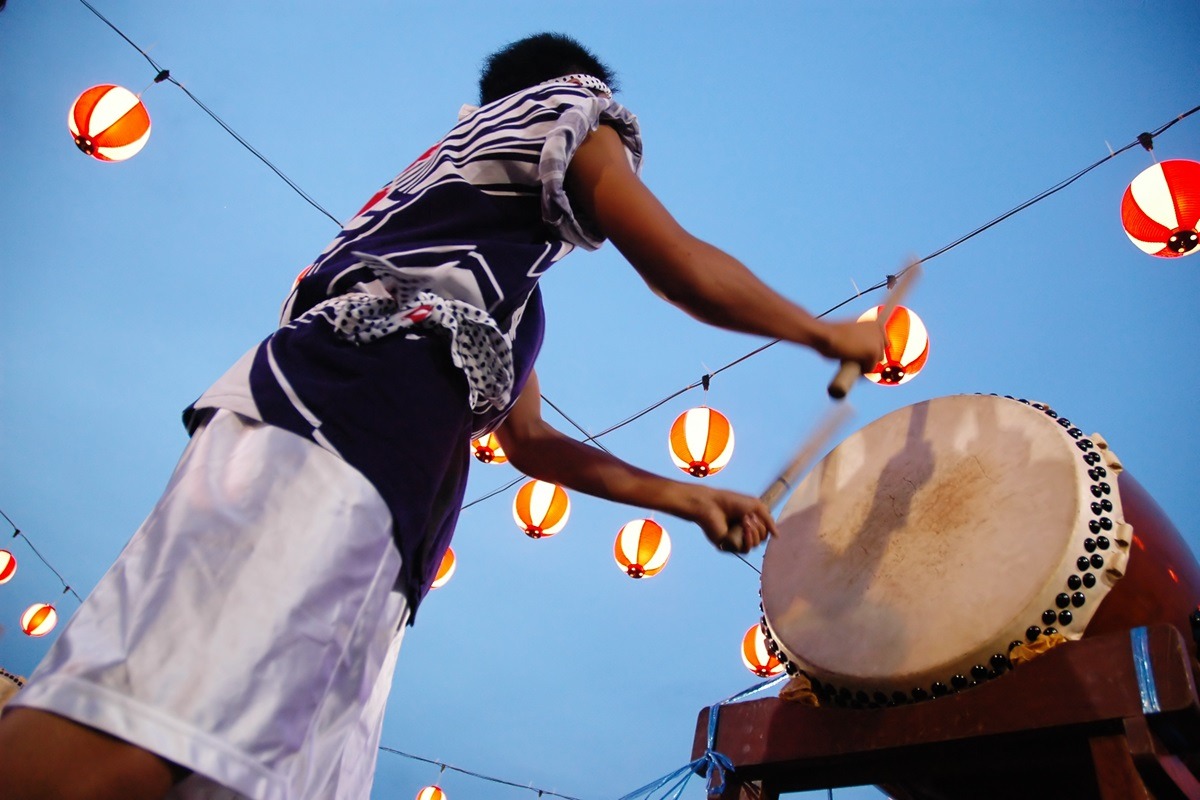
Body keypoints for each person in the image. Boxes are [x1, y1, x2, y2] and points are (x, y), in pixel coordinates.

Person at [0, 32, 881, 800]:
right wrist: (818, 330)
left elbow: (527, 442)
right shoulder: (568, 105)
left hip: (376, 485)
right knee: (136, 736)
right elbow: (675, 261)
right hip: (340, 424)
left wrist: (687, 498)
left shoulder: (490, 279)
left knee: (220, 769)